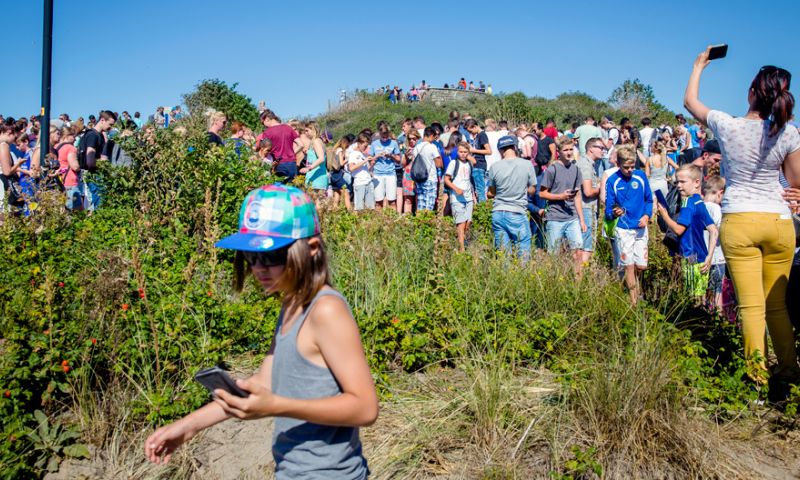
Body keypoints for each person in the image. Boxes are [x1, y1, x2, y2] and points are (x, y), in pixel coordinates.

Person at [145, 184, 378, 478]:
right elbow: (264, 382)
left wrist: (277, 406)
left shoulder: (326, 310)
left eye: (271, 256)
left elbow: (365, 407)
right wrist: (187, 426)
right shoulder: (292, 303)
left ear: (312, 248)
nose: (258, 268)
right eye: (251, 256)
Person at [684, 47, 800, 389]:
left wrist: (699, 65)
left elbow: (691, 103)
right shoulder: (788, 132)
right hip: (778, 223)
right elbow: (796, 183)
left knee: (751, 307)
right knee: (776, 306)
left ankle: (757, 380)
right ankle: (790, 374)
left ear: (751, 92)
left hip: (739, 221)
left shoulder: (728, 125)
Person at [656, 165, 719, 301]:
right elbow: (713, 230)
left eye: (683, 182)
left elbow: (679, 229)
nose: (679, 186)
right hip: (702, 257)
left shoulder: (687, 204)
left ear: (697, 183)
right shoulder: (698, 201)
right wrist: (709, 256)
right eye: (677, 182)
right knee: (700, 297)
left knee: (692, 299)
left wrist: (665, 215)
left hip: (690, 256)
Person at [604, 145, 653, 304]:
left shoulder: (640, 176)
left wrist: (646, 215)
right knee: (629, 266)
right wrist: (614, 212)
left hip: (640, 227)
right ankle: (634, 302)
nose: (630, 170)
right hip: (623, 229)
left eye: (633, 166)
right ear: (618, 164)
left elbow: (648, 199)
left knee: (641, 266)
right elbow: (608, 208)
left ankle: (636, 289)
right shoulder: (613, 180)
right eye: (626, 167)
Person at [539, 136, 587, 270]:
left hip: (572, 218)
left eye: (571, 149)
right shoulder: (552, 170)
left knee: (578, 252)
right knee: (553, 254)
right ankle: (551, 282)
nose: (569, 152)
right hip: (555, 218)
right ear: (559, 152)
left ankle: (578, 286)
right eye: (565, 150)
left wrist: (581, 220)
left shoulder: (576, 169)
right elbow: (542, 193)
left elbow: (577, 196)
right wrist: (561, 196)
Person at [487, 135, 537, 260]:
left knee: (503, 253)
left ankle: (505, 277)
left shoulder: (494, 167)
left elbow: (491, 192)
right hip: (517, 212)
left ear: (500, 150)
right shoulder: (527, 164)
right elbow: (532, 189)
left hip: (498, 212)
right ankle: (522, 277)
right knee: (523, 251)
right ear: (515, 147)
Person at [78, 110, 116, 212]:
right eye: (110, 124)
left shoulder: (98, 135)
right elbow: (90, 159)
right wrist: (101, 161)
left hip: (94, 174)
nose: (110, 128)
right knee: (99, 203)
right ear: (103, 120)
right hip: (94, 175)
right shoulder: (93, 136)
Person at [577, 138, 605, 265]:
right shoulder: (586, 165)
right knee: (586, 247)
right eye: (600, 148)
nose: (603, 151)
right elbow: (588, 192)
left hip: (586, 208)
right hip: (587, 208)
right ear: (591, 149)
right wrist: (602, 188)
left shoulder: (588, 164)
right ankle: (581, 278)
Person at [444, 142, 476, 251]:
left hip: (468, 197)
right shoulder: (454, 163)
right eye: (461, 152)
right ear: (457, 152)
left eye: (465, 152)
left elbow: (474, 163)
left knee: (468, 221)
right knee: (461, 223)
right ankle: (461, 248)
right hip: (456, 198)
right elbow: (446, 179)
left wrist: (473, 195)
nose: (463, 154)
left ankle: (462, 240)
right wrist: (456, 189)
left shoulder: (469, 163)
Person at [701, 175, 727, 312]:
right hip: (716, 257)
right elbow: (717, 232)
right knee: (717, 292)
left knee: (702, 293)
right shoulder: (716, 209)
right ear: (720, 193)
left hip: (700, 256)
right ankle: (718, 319)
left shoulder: (697, 206)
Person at [258, 110, 300, 182]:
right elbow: (301, 144)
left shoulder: (267, 132)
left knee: (279, 190)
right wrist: (292, 154)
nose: (263, 125)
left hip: (278, 164)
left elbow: (263, 150)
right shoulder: (288, 128)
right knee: (291, 190)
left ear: (267, 119)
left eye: (263, 122)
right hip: (292, 164)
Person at [369, 124, 400, 210]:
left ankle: (392, 220)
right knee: (378, 201)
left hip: (390, 174)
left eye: (386, 134)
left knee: (392, 201)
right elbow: (370, 159)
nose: (385, 136)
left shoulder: (394, 143)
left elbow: (398, 159)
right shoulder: (374, 144)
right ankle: (379, 221)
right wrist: (377, 156)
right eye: (383, 134)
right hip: (378, 174)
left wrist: (391, 156)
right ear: (379, 133)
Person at [412, 127, 441, 212]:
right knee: (429, 205)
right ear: (431, 135)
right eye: (434, 137)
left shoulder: (417, 147)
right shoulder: (432, 147)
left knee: (420, 205)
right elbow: (439, 164)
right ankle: (427, 224)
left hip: (419, 179)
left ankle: (419, 224)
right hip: (430, 179)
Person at [299, 122, 328, 197]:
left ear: (313, 130)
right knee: (318, 203)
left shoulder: (316, 141)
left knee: (315, 203)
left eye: (307, 131)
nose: (305, 133)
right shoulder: (318, 141)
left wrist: (308, 168)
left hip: (316, 176)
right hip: (318, 175)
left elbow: (321, 158)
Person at [56, 126, 82, 210]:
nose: (75, 138)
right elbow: (75, 166)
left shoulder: (56, 147)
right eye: (73, 136)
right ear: (66, 136)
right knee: (76, 211)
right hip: (70, 181)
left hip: (60, 181)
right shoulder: (70, 148)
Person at [465, 119, 491, 202]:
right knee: (477, 191)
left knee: (480, 191)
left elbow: (489, 151)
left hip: (480, 165)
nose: (470, 134)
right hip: (476, 165)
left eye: (471, 131)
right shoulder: (477, 136)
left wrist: (473, 150)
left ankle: (482, 211)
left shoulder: (482, 135)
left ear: (475, 127)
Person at [347, 133, 375, 211]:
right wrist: (364, 161)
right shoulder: (353, 154)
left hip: (368, 182)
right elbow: (351, 168)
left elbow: (366, 169)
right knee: (359, 208)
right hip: (359, 183)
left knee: (370, 208)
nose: (365, 148)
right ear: (359, 143)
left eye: (366, 146)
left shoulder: (363, 154)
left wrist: (372, 164)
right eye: (364, 146)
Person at [329, 136, 351, 211]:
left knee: (337, 194)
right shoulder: (340, 150)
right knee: (346, 193)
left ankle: (334, 211)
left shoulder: (334, 150)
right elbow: (341, 163)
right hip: (338, 175)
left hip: (333, 174)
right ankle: (350, 211)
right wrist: (348, 159)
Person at [401, 130, 420, 214]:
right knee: (408, 199)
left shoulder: (421, 147)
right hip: (408, 176)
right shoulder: (405, 148)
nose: (412, 141)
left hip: (419, 175)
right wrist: (405, 155)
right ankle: (407, 220)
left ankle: (419, 219)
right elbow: (402, 165)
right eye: (410, 139)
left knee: (418, 199)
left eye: (414, 139)